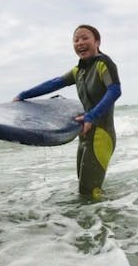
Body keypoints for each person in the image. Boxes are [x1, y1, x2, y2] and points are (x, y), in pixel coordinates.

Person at [13, 25, 121, 200]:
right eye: (76, 39)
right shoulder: (79, 71)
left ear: (97, 42)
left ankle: (106, 224)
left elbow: (115, 90)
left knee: (90, 192)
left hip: (101, 135)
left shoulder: (104, 64)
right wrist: (24, 95)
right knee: (84, 189)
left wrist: (91, 116)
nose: (80, 42)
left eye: (85, 38)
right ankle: (91, 225)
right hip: (85, 136)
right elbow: (54, 83)